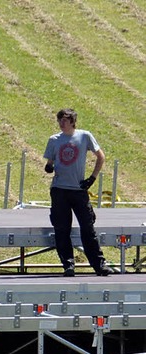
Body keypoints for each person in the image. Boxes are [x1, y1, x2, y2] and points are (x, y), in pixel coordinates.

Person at [43, 108, 111, 277]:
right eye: (59, 120)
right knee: (61, 229)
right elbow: (50, 161)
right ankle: (68, 265)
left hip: (78, 189)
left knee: (88, 228)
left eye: (65, 120)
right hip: (59, 190)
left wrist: (92, 178)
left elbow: (100, 156)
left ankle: (99, 265)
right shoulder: (54, 140)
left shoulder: (84, 136)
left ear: (73, 121)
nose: (61, 123)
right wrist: (49, 166)